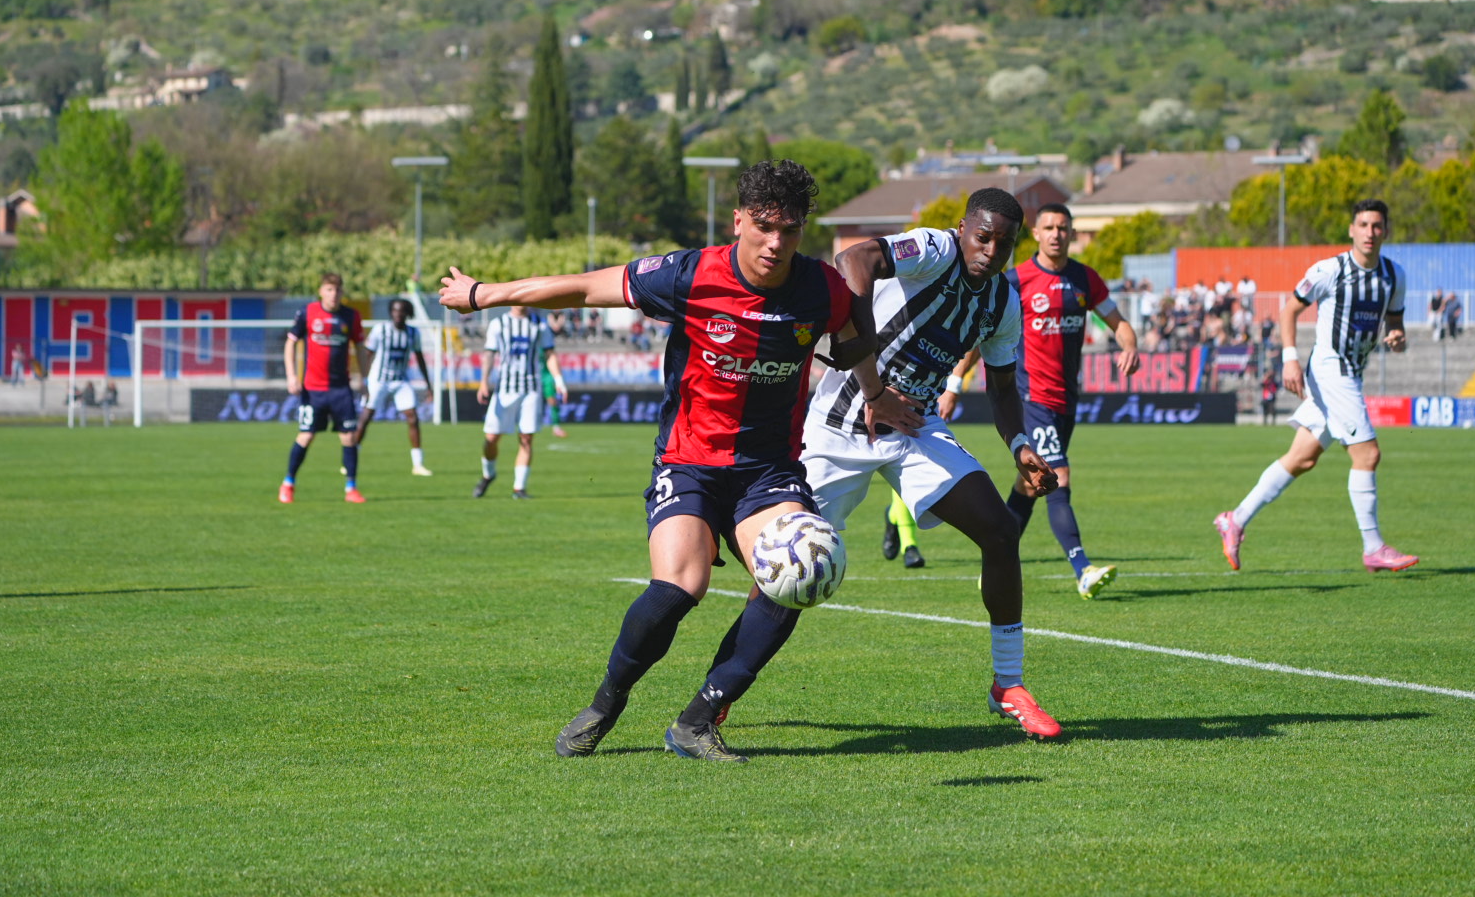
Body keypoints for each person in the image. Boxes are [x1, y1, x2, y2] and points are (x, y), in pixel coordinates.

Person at [440, 160, 870, 762]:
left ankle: (698, 719)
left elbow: (855, 327)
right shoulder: (691, 274)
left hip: (769, 470)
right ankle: (605, 703)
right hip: (690, 460)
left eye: (791, 230)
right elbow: (587, 285)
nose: (776, 242)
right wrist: (486, 295)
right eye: (765, 226)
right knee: (680, 586)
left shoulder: (819, 287)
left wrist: (879, 396)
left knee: (792, 578)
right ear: (739, 220)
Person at [802, 187, 1064, 737]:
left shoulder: (1002, 302)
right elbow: (854, 259)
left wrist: (1019, 444)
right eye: (983, 236)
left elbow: (1000, 387)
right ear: (964, 228)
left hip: (917, 426)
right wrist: (869, 372)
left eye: (1005, 243)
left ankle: (1008, 685)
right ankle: (718, 694)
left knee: (998, 530)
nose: (991, 250)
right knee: (793, 568)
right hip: (842, 422)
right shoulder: (934, 249)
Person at [939, 202, 1137, 601]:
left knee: (1029, 485)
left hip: (1066, 401)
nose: (1056, 234)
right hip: (1030, 397)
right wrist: (955, 384)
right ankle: (1083, 569)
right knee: (1058, 477)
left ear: (1071, 233)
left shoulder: (1085, 279)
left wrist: (1129, 345)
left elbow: (1118, 322)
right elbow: (981, 337)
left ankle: (996, 561)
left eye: (1063, 228)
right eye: (1048, 227)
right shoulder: (1016, 281)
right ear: (1037, 234)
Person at [1214, 200, 1417, 573]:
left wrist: (1398, 336)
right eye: (1363, 225)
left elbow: (1395, 322)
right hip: (1329, 368)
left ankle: (1235, 519)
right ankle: (1373, 547)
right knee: (1367, 455)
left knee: (1302, 458)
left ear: (1385, 231)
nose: (1370, 232)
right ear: (1351, 231)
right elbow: (1289, 309)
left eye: (1377, 226)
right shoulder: (1330, 270)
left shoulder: (1394, 276)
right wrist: (1290, 357)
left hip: (1352, 371)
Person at [278, 272, 370, 504]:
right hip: (313, 389)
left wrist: (365, 379)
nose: (333, 294)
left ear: (342, 293)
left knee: (349, 437)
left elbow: (360, 348)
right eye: (329, 289)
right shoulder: (307, 313)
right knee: (306, 435)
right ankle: (288, 483)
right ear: (321, 291)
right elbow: (290, 343)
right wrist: (291, 376)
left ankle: (351, 488)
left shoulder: (350, 316)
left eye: (337, 290)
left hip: (341, 389)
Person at [474, 305, 566, 500]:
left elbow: (549, 353)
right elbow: (489, 354)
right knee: (491, 438)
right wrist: (483, 382)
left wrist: (559, 380)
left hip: (531, 389)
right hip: (504, 389)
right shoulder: (498, 323)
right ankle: (488, 474)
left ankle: (519, 488)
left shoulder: (539, 324)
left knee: (526, 438)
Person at [356, 298, 436, 476]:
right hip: (379, 380)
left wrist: (428, 385)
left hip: (400, 380)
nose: (397, 314)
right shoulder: (380, 330)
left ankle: (418, 465)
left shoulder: (413, 333)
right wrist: (364, 380)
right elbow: (367, 354)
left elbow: (420, 358)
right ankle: (351, 458)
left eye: (401, 311)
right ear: (391, 312)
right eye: (394, 310)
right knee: (366, 417)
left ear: (407, 313)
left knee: (413, 418)